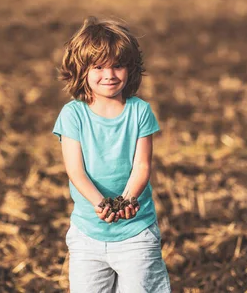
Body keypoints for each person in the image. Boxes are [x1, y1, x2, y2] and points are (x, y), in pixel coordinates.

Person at [52, 16, 171, 292]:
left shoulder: (140, 111)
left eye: (118, 65)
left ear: (130, 69)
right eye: (99, 67)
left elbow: (141, 166)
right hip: (87, 235)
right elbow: (76, 171)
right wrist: (102, 204)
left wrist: (127, 200)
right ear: (81, 71)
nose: (110, 74)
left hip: (136, 233)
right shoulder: (73, 115)